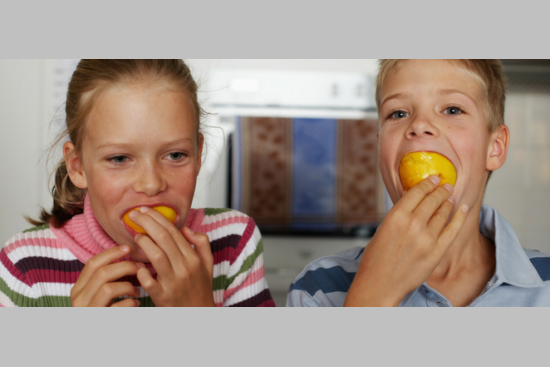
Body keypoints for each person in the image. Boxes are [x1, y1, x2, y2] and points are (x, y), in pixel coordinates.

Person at [0, 59, 275, 307]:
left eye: (175, 155)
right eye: (119, 158)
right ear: (78, 167)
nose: (151, 184)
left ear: (198, 155)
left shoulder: (233, 241)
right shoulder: (25, 265)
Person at [287, 59, 550, 307]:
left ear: (495, 148)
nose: (420, 125)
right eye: (398, 113)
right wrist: (373, 293)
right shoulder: (317, 288)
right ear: (380, 150)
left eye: (452, 109)